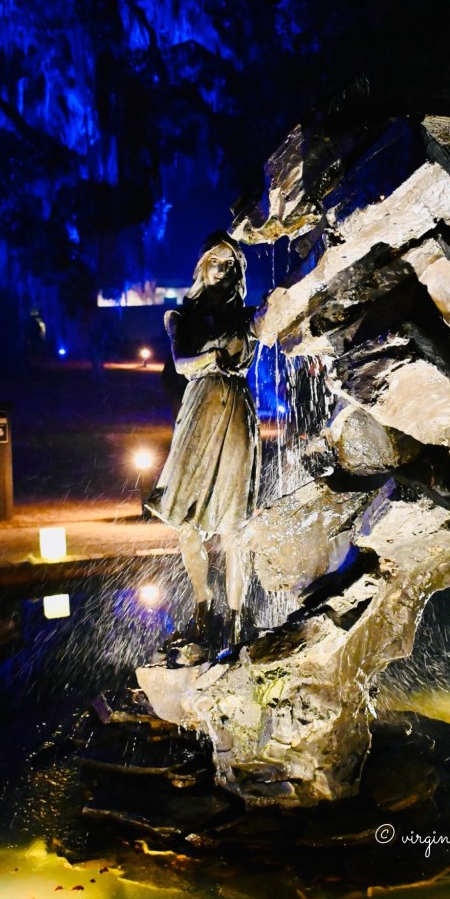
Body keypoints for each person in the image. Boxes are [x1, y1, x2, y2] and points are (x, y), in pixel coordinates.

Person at [146, 231, 261, 647]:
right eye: (217, 260)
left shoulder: (250, 318)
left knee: (236, 526)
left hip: (236, 413)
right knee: (186, 520)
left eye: (233, 264)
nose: (224, 268)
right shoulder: (182, 319)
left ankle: (235, 615)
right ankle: (202, 602)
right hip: (198, 411)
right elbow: (179, 364)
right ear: (202, 265)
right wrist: (210, 358)